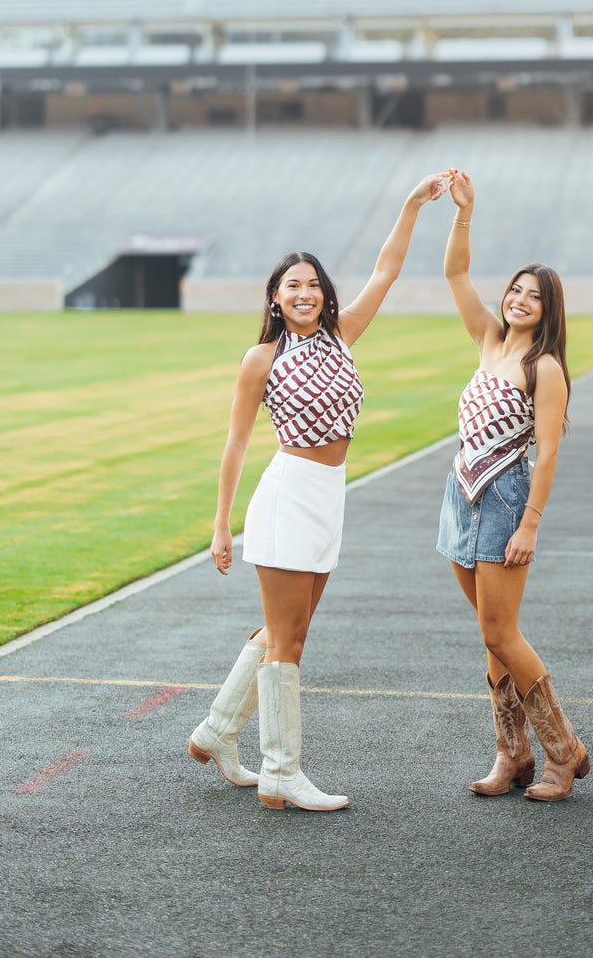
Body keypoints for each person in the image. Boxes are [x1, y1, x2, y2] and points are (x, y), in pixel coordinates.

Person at [189, 173, 447, 811]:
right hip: (286, 496)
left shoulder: (342, 335)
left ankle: (218, 731)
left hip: (329, 495)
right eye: (291, 286)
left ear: (324, 295)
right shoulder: (262, 358)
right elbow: (236, 445)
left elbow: (386, 269)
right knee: (290, 641)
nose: (304, 293)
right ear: (275, 299)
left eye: (313, 284)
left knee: (287, 628)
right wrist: (222, 526)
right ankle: (281, 774)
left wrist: (413, 204)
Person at [436, 168, 590, 801]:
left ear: (547, 310)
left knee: (502, 632)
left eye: (534, 296)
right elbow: (454, 275)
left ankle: (564, 752)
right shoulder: (488, 339)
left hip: (504, 500)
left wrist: (529, 524)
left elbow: (548, 453)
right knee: (488, 631)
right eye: (516, 290)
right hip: (459, 496)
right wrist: (464, 212)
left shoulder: (543, 367)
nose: (520, 300)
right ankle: (512, 756)